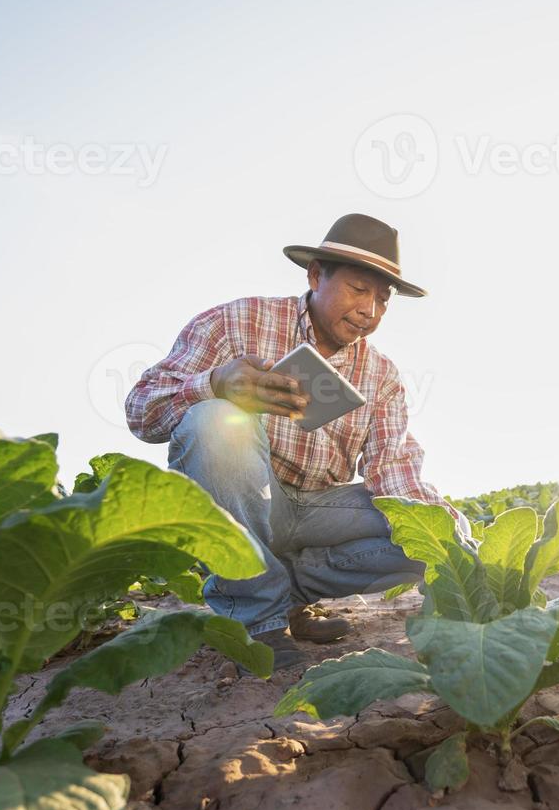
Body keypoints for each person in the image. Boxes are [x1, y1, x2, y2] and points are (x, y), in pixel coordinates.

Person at [124, 213, 470, 670]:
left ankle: (286, 589)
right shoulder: (238, 321)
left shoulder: (382, 376)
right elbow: (141, 409)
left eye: (384, 300)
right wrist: (215, 385)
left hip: (319, 510)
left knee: (435, 530)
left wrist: (456, 546)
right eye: (358, 289)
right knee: (213, 421)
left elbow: (395, 474)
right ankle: (259, 618)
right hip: (247, 502)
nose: (371, 311)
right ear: (314, 276)